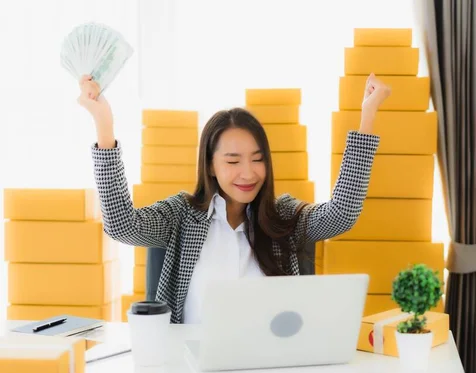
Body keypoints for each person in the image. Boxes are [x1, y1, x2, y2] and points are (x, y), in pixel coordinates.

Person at [78, 73, 391, 323]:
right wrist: (104, 126)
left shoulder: (282, 215)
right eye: (232, 161)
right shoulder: (181, 215)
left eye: (257, 159)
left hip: (269, 371)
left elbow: (342, 214)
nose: (248, 173)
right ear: (211, 166)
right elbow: (121, 225)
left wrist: (368, 115)